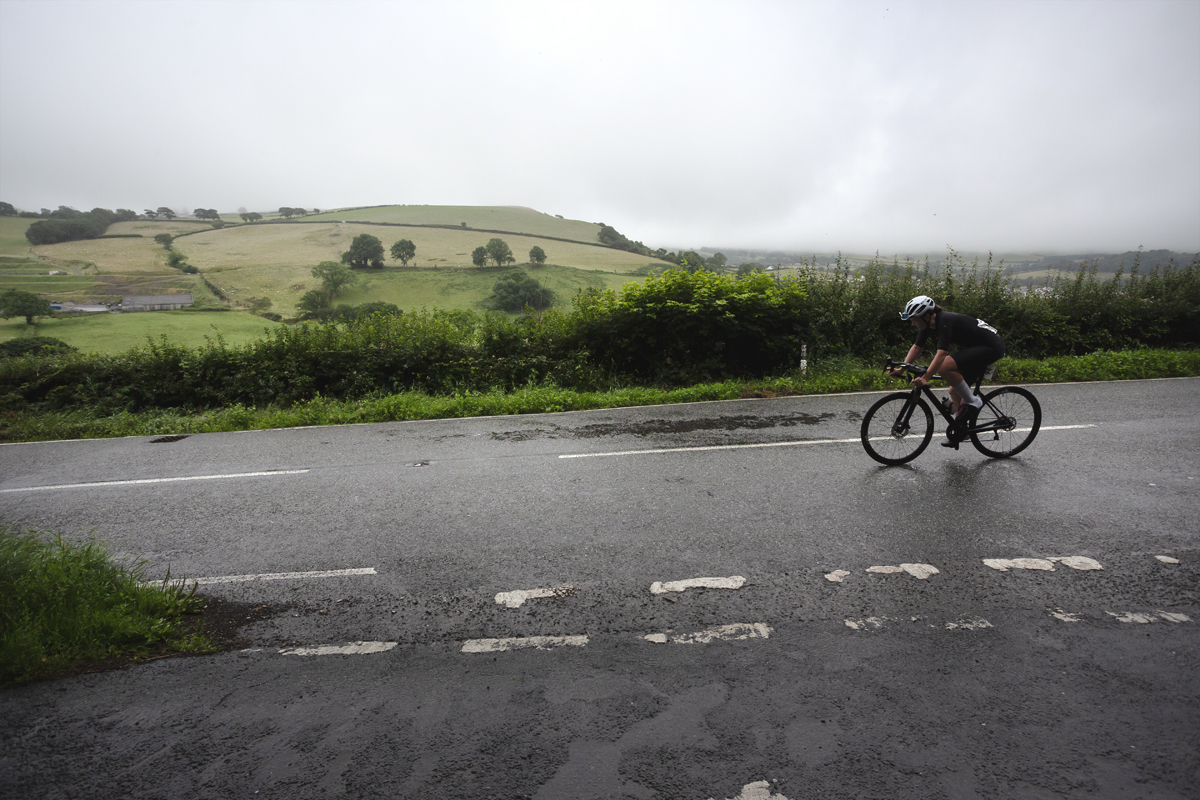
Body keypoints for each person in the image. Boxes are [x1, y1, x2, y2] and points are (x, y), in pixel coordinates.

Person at [892, 295, 1005, 445]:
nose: (911, 323)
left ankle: (974, 402)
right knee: (954, 391)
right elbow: (917, 347)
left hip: (992, 348)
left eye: (913, 319)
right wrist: (901, 369)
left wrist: (926, 377)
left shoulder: (945, 321)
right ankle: (962, 429)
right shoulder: (926, 324)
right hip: (977, 347)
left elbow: (941, 354)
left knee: (945, 367)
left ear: (926, 316)